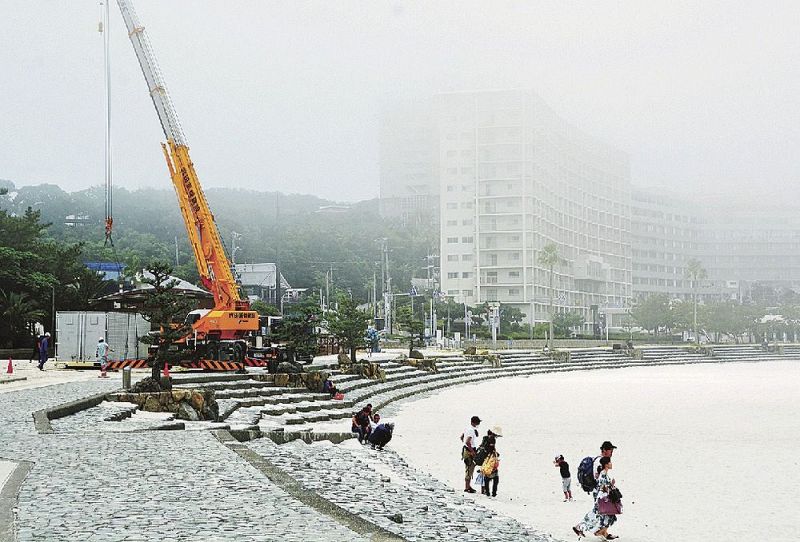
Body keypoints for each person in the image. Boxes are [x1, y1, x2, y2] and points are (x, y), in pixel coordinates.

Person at [573, 440, 617, 539]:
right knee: (598, 511)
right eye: (610, 450)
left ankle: (602, 532)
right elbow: (600, 478)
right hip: (599, 491)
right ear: (605, 450)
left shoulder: (598, 459)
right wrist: (606, 488)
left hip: (598, 490)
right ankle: (580, 526)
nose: (612, 452)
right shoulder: (600, 461)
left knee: (603, 511)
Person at [594, 457, 619, 540]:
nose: (611, 464)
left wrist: (611, 484)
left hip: (604, 498)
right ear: (606, 464)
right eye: (610, 462)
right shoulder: (603, 474)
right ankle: (600, 532)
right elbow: (602, 487)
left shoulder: (604, 473)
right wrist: (610, 486)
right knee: (610, 516)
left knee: (607, 516)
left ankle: (604, 533)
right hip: (604, 499)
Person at [460, 415, 481, 493]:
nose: (478, 424)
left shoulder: (467, 428)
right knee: (469, 469)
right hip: (469, 450)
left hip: (466, 449)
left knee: (468, 468)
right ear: (474, 422)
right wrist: (472, 451)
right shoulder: (471, 430)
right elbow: (467, 441)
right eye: (477, 422)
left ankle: (468, 486)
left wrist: (465, 446)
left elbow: (462, 437)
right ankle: (467, 487)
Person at [481, 426, 502, 497]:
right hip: (490, 459)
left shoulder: (486, 438)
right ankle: (493, 493)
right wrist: (496, 454)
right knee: (495, 478)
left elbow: (487, 448)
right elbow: (491, 449)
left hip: (486, 459)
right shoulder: (492, 439)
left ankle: (487, 492)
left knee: (487, 477)